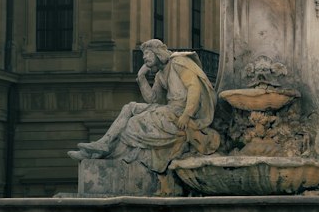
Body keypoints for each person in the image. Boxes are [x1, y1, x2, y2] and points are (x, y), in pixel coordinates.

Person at [68, 39, 218, 170]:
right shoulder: (160, 74)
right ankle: (104, 144)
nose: (145, 57)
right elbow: (153, 100)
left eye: (147, 53)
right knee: (130, 107)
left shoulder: (179, 62)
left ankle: (108, 153)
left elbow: (194, 87)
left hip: (181, 114)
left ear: (157, 53)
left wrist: (187, 115)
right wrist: (141, 78)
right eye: (144, 54)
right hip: (169, 110)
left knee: (134, 123)